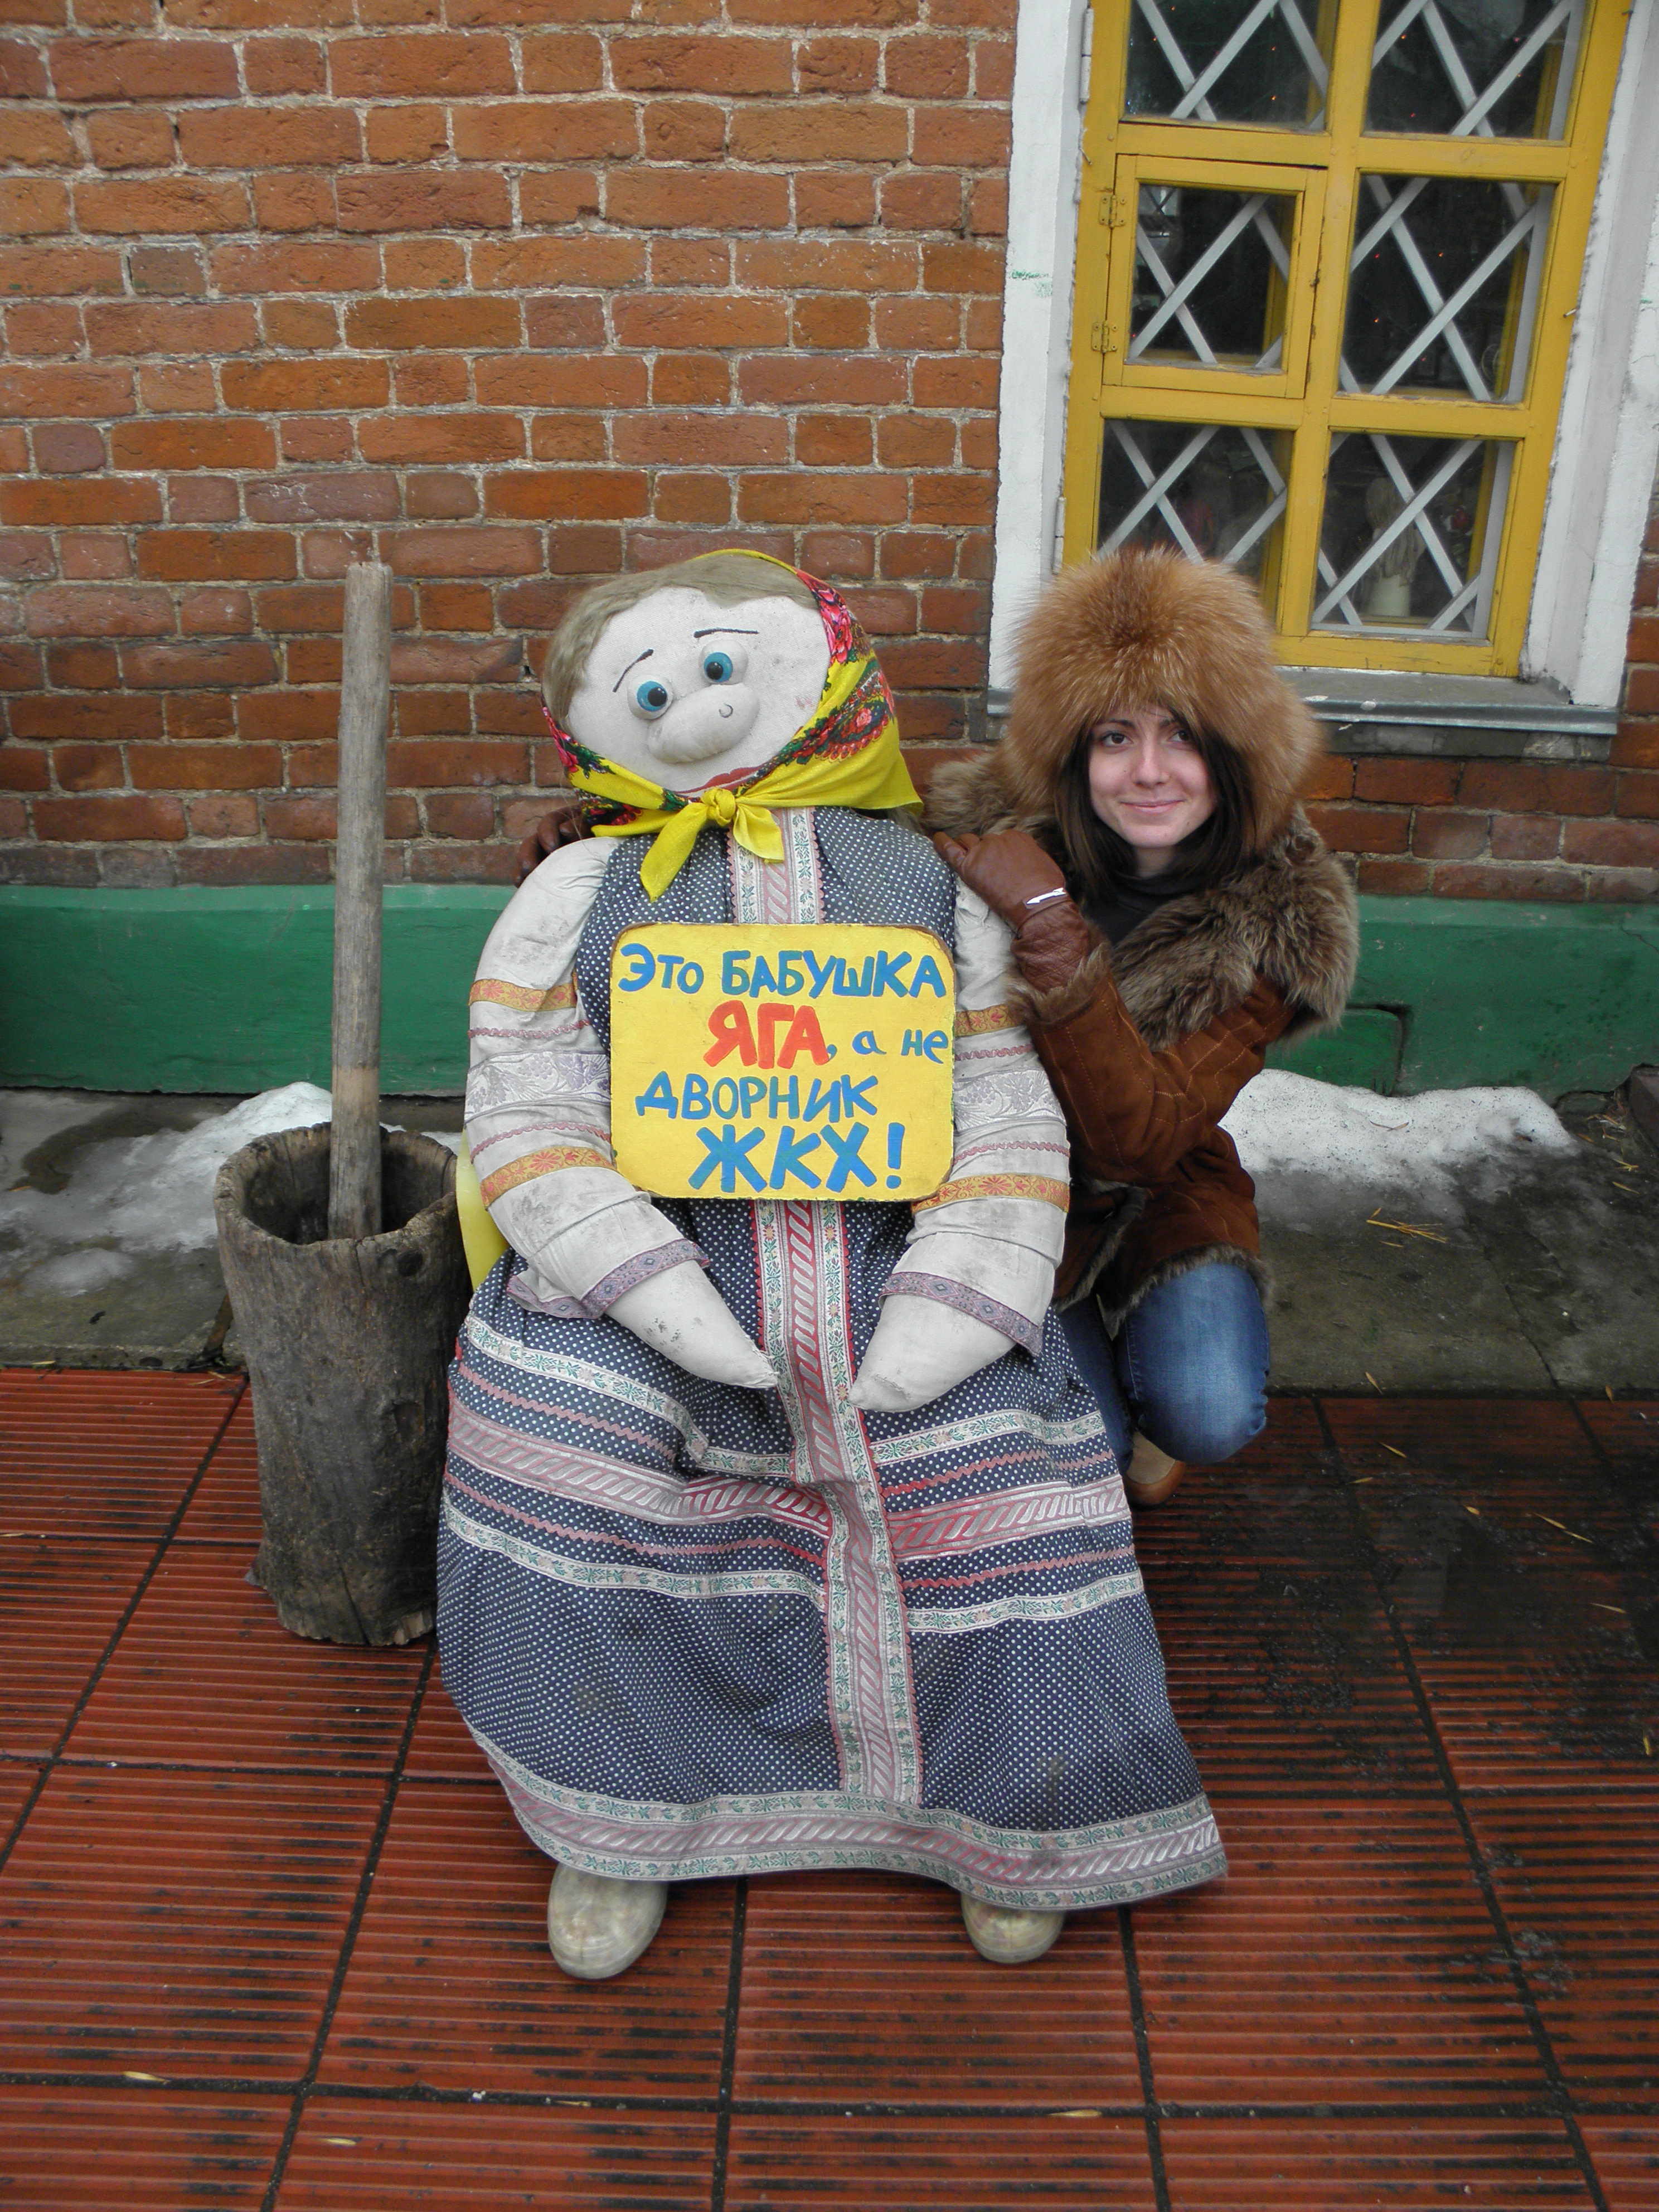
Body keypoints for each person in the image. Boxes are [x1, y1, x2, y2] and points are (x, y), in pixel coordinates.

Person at [925, 548, 1358, 1508]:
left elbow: (1137, 1141)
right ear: (1074, 753)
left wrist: (1050, 932)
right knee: (1086, 1449)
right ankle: (1082, 1372)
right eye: (1115, 737)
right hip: (994, 1186)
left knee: (1207, 1408)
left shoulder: (1277, 917)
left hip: (1158, 1183)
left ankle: (1149, 1381)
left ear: (1234, 750)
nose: (1150, 772)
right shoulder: (978, 828)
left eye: (1183, 737)